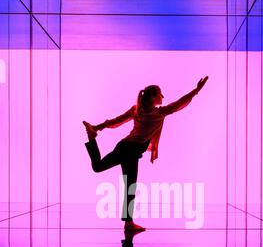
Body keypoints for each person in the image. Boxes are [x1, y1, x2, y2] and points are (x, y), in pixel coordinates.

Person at [83, 76, 209, 231]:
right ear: (154, 97)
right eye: (160, 94)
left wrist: (98, 127)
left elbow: (117, 121)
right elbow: (179, 104)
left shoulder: (137, 109)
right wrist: (197, 90)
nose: (163, 97)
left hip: (126, 148)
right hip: (129, 150)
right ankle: (128, 224)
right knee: (123, 182)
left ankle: (128, 224)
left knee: (115, 177)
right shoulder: (158, 112)